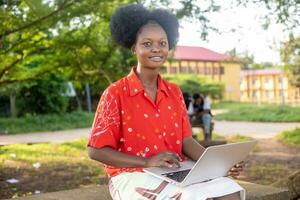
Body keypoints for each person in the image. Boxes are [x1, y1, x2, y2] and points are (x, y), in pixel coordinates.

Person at [87, 4, 245, 200]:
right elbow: (95, 150)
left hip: (176, 170)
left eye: (162, 43)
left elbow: (186, 140)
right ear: (133, 47)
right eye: (147, 43)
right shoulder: (115, 93)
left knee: (228, 189)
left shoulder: (174, 92)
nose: (156, 49)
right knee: (186, 197)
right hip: (131, 175)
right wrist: (147, 162)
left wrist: (218, 164)